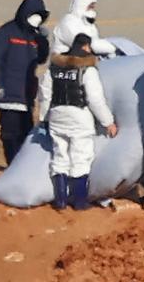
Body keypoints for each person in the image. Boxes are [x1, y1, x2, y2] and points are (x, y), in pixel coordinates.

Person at [37, 34, 117, 210]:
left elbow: (45, 94)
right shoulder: (87, 70)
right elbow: (95, 100)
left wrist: (43, 119)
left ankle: (60, 200)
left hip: (57, 115)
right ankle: (79, 201)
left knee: (60, 156)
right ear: (87, 47)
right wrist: (108, 122)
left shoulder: (55, 67)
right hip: (79, 117)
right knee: (81, 157)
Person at [0, 0, 50, 163]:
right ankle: (12, 164)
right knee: (10, 133)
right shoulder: (6, 32)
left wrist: (43, 42)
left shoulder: (35, 37)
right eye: (34, 14)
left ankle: (21, 166)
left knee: (26, 133)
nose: (36, 18)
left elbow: (41, 59)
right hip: (8, 95)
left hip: (25, 95)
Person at [50, 0, 118, 57]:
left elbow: (95, 40)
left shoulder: (87, 23)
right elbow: (84, 44)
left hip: (84, 61)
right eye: (90, 6)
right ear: (81, 4)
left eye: (93, 7)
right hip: (65, 63)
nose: (92, 9)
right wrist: (115, 47)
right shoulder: (68, 22)